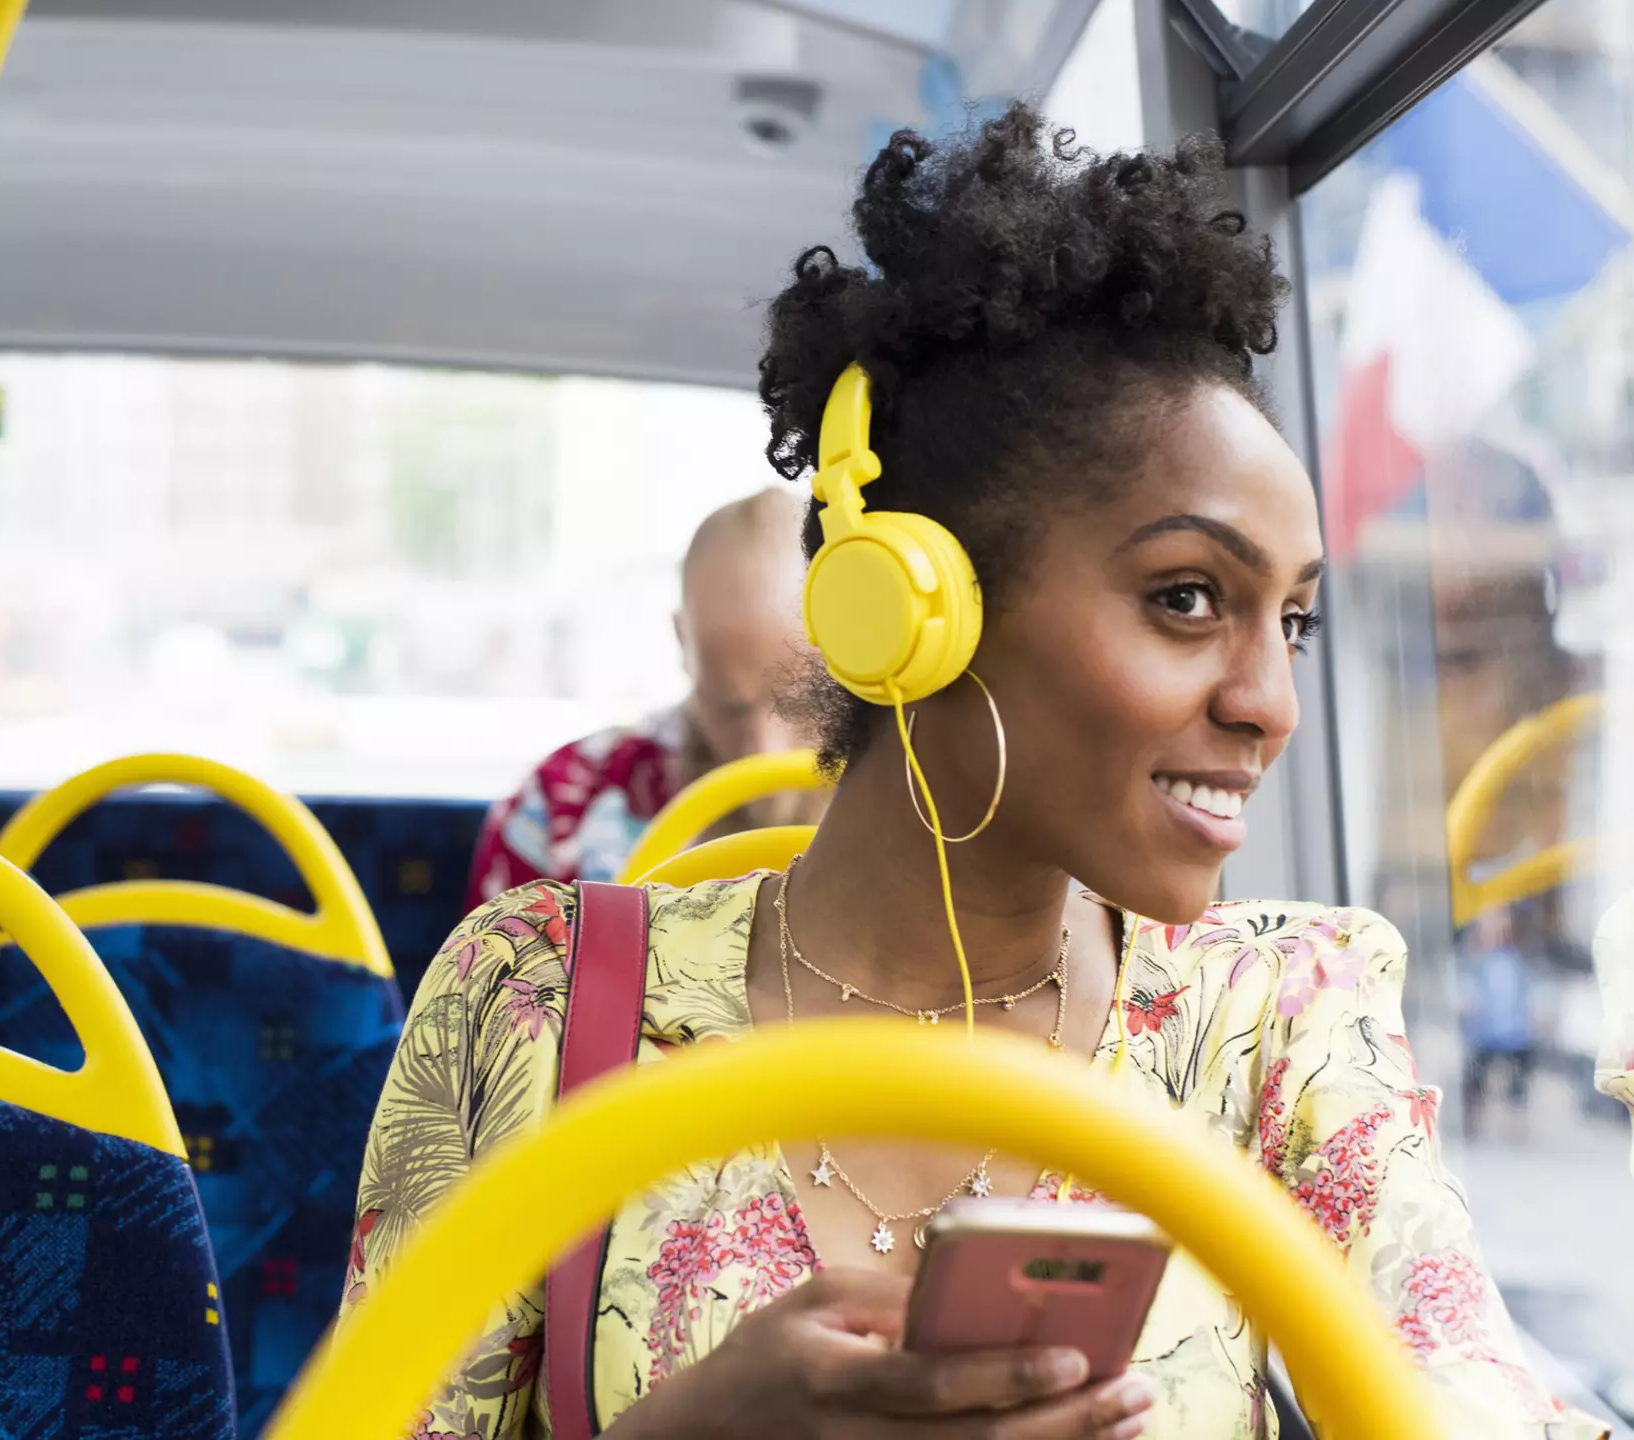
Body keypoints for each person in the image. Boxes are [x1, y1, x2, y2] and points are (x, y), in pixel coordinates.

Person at [349, 110, 1605, 1438]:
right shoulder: (535, 1003)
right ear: (918, 610)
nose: (1271, 704)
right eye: (1187, 598)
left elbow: (1476, 1401)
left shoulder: (1278, 1019)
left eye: (1289, 620)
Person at [465, 486, 823, 907]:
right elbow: (486, 965)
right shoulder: (563, 808)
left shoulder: (909, 799)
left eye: (801, 705)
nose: (764, 752)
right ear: (682, 641)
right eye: (730, 707)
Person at [1458, 909, 1537, 1140]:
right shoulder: (1474, 958)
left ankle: (1515, 1123)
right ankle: (1474, 1122)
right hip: (1484, 1032)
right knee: (1476, 1077)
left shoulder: (1518, 958)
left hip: (1515, 1032)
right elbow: (1465, 990)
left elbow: (1528, 991)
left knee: (1518, 1080)